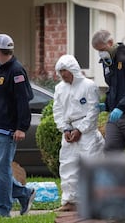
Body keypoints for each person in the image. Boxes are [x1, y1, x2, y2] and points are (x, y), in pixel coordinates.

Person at [0, 33, 36, 218]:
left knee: (2, 169)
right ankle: (24, 193)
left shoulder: (16, 71)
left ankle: (3, 210)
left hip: (8, 129)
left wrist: (21, 127)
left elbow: (23, 101)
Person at [53, 54, 105, 211]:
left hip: (87, 134)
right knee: (68, 165)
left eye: (65, 71)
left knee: (91, 166)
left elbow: (93, 111)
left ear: (73, 70)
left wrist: (80, 129)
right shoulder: (59, 88)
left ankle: (94, 202)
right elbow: (58, 110)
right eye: (60, 71)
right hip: (69, 132)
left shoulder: (89, 86)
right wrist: (65, 129)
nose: (63, 74)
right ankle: (70, 201)